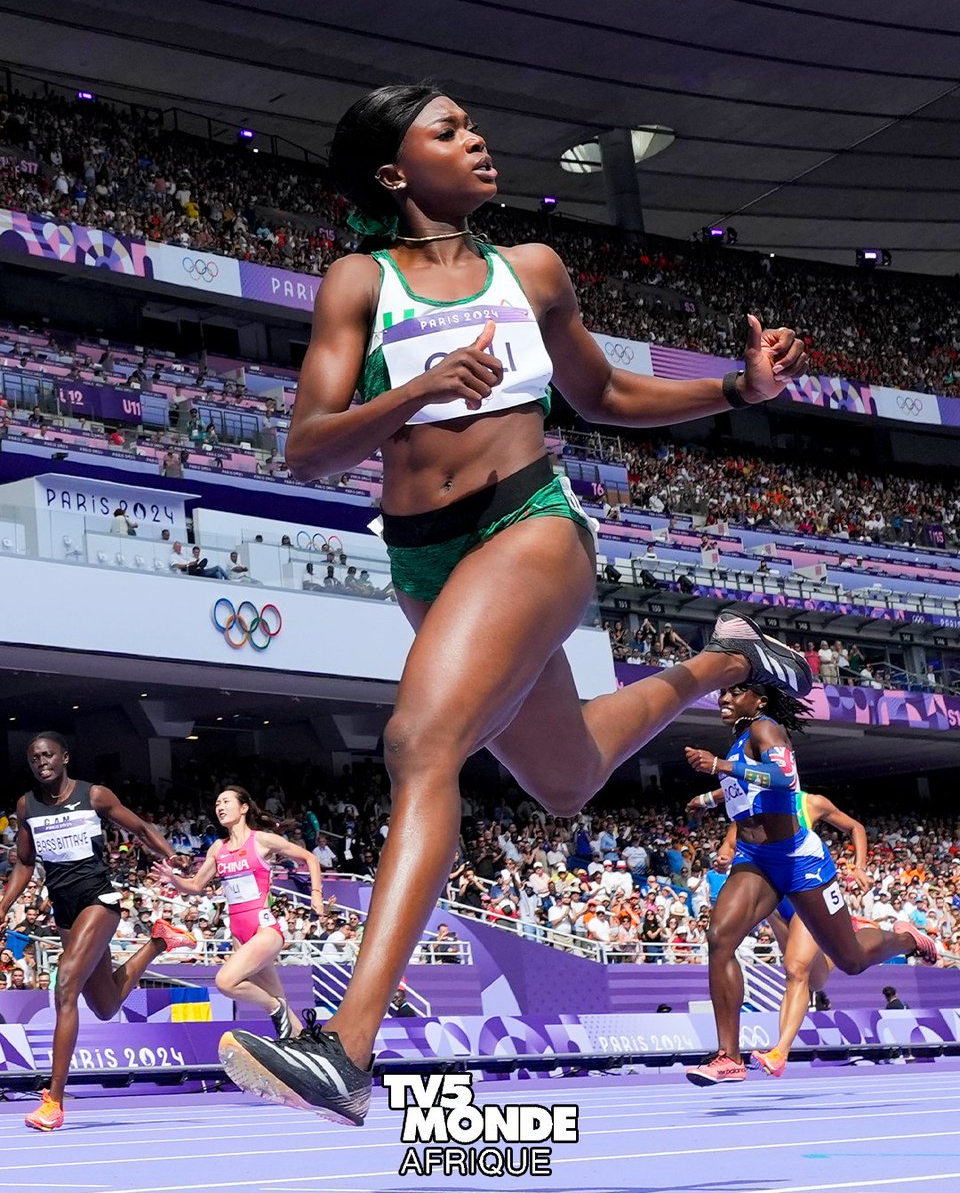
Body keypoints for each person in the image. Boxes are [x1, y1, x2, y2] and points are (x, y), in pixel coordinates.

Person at [218, 82, 810, 1126]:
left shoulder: (531, 269)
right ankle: (724, 665)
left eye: (472, 125)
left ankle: (347, 1048)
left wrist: (736, 390)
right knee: (567, 779)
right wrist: (416, 389)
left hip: (529, 523)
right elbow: (307, 448)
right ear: (395, 173)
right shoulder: (359, 281)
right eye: (447, 130)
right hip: (423, 557)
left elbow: (605, 395)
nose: (477, 139)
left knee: (421, 744)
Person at [682, 683, 938, 1087]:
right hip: (755, 859)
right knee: (720, 938)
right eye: (723, 693)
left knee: (851, 961)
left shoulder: (766, 728)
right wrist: (709, 799)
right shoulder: (740, 741)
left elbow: (783, 778)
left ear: (759, 701)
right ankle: (728, 1057)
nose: (724, 698)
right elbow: (742, 785)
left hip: (800, 862)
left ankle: (907, 940)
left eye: (735, 692)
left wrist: (719, 765)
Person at [0, 731, 194, 1131]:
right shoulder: (26, 805)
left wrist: (173, 856)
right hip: (65, 911)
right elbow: (24, 863)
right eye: (34, 758)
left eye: (48, 755)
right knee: (105, 1007)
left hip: (98, 900)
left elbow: (141, 828)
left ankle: (54, 1101)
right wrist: (3, 905)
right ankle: (159, 940)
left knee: (65, 986)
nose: (41, 762)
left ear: (65, 757)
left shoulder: (94, 795)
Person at [704, 788, 878, 1079]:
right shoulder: (749, 806)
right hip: (774, 900)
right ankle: (849, 934)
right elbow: (728, 847)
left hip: (803, 892)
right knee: (816, 977)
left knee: (796, 970)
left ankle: (780, 1052)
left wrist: (859, 867)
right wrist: (723, 859)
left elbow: (855, 827)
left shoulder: (811, 802)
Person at [156, 785, 324, 1042]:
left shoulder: (262, 840)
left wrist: (316, 894)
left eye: (226, 802)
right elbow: (196, 886)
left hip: (263, 929)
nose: (220, 807)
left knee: (226, 982)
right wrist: (174, 879)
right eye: (217, 804)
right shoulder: (217, 849)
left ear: (243, 808)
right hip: (238, 934)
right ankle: (304, 1042)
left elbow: (310, 858)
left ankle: (274, 1009)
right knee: (278, 996)